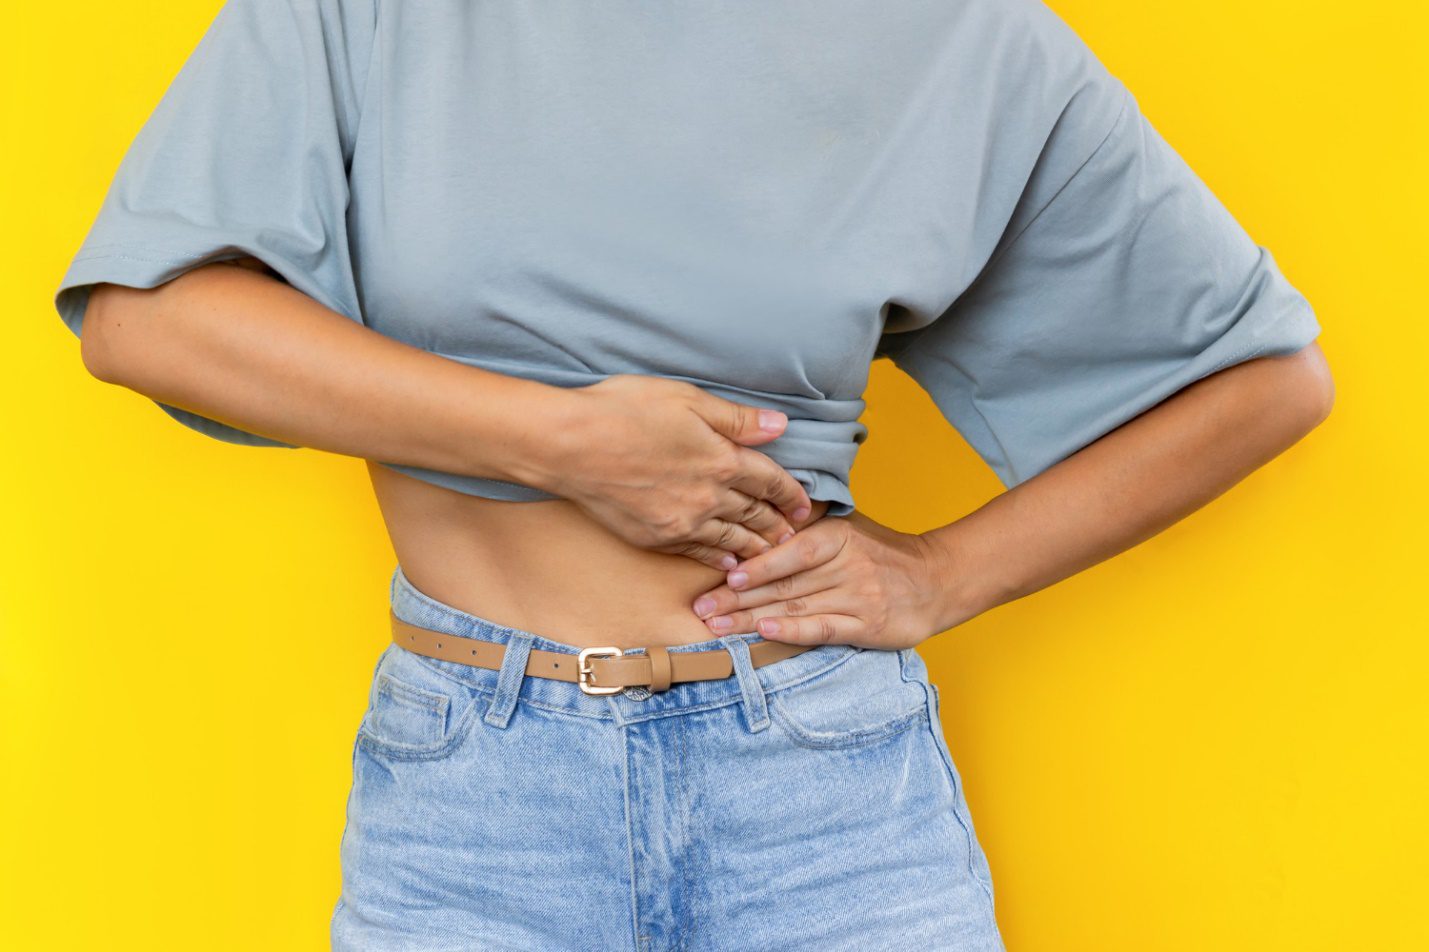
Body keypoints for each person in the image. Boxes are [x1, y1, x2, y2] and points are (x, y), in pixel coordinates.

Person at [52, 0, 1334, 949]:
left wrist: (944, 572)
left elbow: (1263, 378)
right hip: (478, 788)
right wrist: (554, 442)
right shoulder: (373, 14)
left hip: (822, 787)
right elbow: (144, 315)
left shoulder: (963, 41)